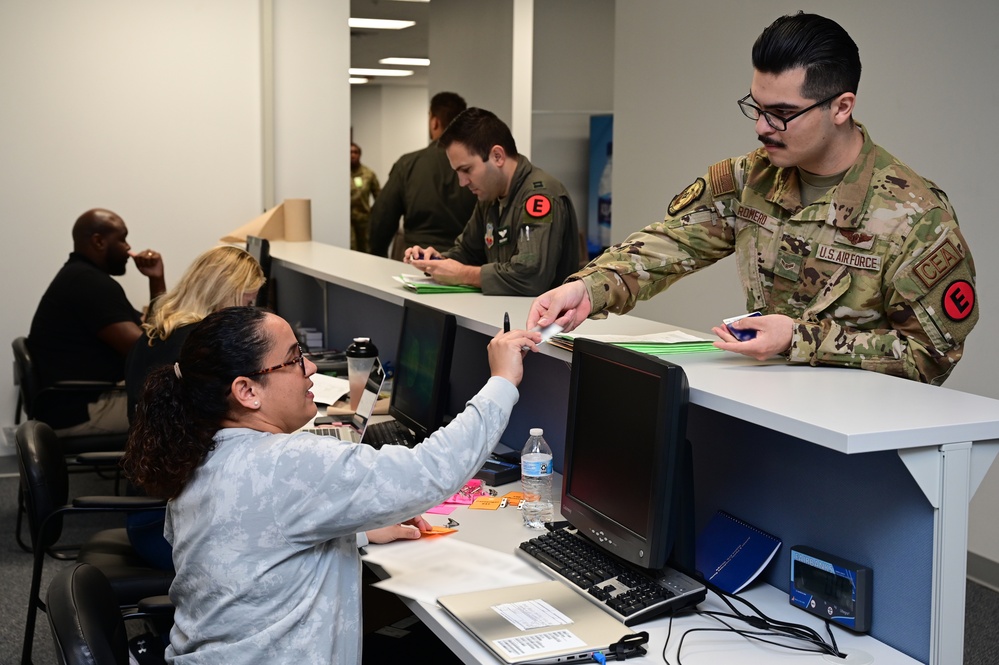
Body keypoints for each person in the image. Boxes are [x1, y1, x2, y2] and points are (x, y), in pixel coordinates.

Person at [528, 12, 977, 385]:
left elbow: (931, 354)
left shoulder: (916, 217)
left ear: (841, 107)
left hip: (861, 446)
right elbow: (673, 243)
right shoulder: (751, 178)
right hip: (766, 413)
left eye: (782, 114)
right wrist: (589, 288)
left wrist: (799, 338)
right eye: (757, 107)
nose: (762, 127)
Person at [122, 306, 541, 663]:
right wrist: (502, 382)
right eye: (292, 359)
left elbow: (249, 542)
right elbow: (430, 471)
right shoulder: (287, 463)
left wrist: (355, 529)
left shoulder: (200, 451)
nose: (311, 368)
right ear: (247, 391)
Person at [122, 245, 266, 570]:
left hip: (149, 505)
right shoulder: (198, 351)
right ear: (226, 296)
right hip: (172, 524)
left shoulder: (155, 332)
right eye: (247, 302)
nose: (250, 312)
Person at [404, 107, 581, 296]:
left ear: (497, 156)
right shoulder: (489, 197)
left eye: (467, 170)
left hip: (544, 323)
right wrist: (436, 262)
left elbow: (530, 276)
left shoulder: (540, 196)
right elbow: (468, 252)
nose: (462, 182)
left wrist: (463, 274)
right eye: (458, 172)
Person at [28, 208, 166, 434]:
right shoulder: (89, 283)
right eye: (122, 239)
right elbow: (143, 352)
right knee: (186, 408)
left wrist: (156, 279)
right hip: (83, 410)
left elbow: (146, 328)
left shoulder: (81, 276)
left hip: (72, 403)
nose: (129, 248)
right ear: (99, 241)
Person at [368, 91, 477, 260]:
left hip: (418, 258)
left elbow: (382, 218)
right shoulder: (479, 166)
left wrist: (377, 255)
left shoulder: (408, 164)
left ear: (434, 122)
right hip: (467, 263)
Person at [349, 142, 381, 253]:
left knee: (366, 250)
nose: (352, 155)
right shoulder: (341, 173)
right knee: (351, 249)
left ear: (360, 155)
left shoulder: (369, 174)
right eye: (350, 152)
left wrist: (373, 213)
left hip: (364, 220)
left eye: (355, 152)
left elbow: (379, 197)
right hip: (347, 220)